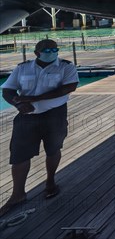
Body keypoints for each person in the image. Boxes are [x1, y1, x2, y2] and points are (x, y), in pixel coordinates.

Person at [0, 39, 78, 217]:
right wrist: (18, 105)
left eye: (54, 49)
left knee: (53, 149)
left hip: (54, 115)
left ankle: (50, 181)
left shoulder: (66, 67)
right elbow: (8, 90)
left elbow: (68, 87)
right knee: (19, 155)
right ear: (36, 53)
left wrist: (34, 99)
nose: (51, 52)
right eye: (46, 50)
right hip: (26, 117)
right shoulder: (22, 68)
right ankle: (17, 194)